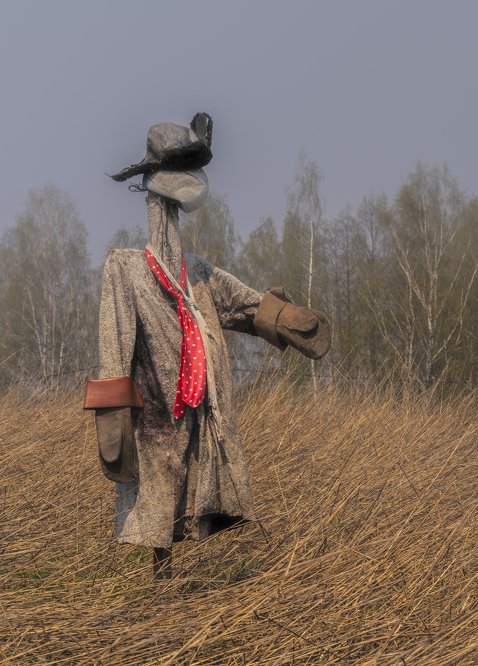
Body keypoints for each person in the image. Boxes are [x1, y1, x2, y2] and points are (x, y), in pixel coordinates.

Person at [83, 113, 331, 580]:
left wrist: (283, 318)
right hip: (154, 417)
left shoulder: (195, 271)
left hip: (199, 412)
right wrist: (112, 420)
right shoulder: (127, 270)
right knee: (155, 504)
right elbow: (113, 341)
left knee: (187, 497)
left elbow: (242, 305)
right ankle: (158, 590)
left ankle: (172, 584)